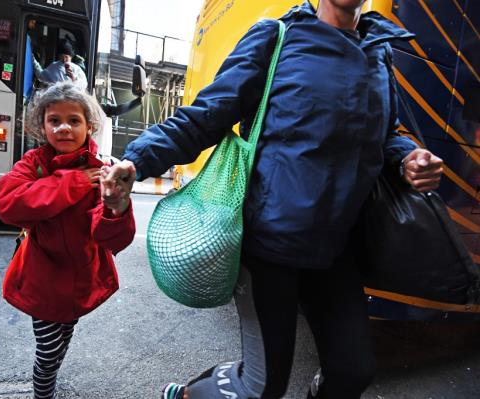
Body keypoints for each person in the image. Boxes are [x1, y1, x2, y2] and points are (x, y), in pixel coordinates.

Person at [103, 1, 444, 398]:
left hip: (337, 249)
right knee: (262, 388)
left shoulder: (379, 50)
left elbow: (386, 134)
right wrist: (139, 159)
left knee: (353, 373)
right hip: (269, 244)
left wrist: (407, 157)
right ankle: (188, 395)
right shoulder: (277, 37)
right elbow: (207, 115)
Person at [0, 81, 135, 399]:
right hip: (41, 278)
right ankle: (44, 394)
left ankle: (49, 385)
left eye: (74, 120)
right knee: (47, 353)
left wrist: (117, 206)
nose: (64, 128)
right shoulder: (34, 163)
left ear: (89, 126)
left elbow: (112, 239)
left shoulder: (102, 171)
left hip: (82, 279)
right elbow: (8, 204)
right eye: (54, 120)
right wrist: (75, 181)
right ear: (42, 126)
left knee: (60, 345)